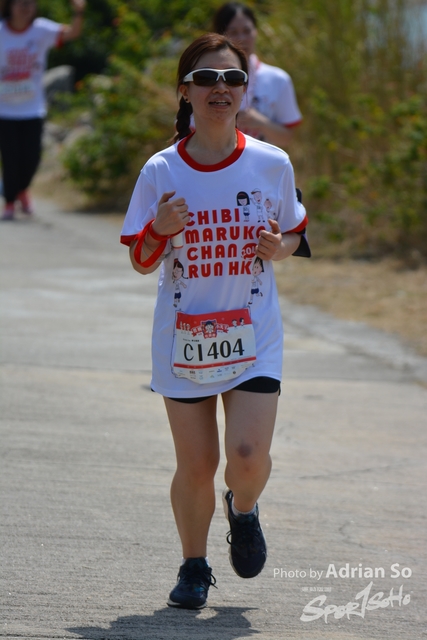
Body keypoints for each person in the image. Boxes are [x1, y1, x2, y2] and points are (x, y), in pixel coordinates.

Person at [120, 32, 310, 610]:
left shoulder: (271, 162)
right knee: (198, 463)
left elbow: (295, 233)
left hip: (254, 334)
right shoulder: (161, 171)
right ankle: (194, 565)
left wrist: (279, 247)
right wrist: (160, 230)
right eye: (206, 78)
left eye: (232, 78)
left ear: (245, 89)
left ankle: (243, 509)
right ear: (185, 91)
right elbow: (140, 260)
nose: (220, 88)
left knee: (247, 458)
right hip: (184, 338)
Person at [0, 0, 86, 220]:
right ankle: (9, 203)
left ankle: (22, 190)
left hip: (33, 109)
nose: (26, 8)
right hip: (5, 111)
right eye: (21, 3)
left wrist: (79, 11)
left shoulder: (41, 30)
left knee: (32, 158)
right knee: (10, 159)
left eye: (30, 3)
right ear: (10, 6)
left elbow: (73, 33)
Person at [213, 2, 302, 148]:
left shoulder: (278, 79)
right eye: (233, 32)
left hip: (264, 162)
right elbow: (188, 134)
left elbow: (287, 138)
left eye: (247, 31)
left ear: (256, 32)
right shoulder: (205, 79)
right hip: (217, 162)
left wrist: (261, 123)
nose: (242, 38)